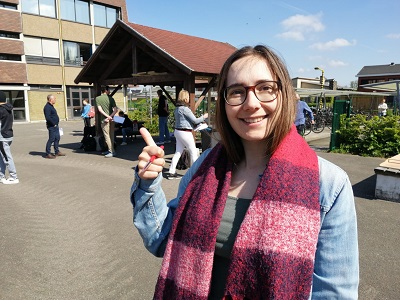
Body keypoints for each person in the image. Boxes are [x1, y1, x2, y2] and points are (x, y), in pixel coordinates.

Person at [131, 45, 359, 299]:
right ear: (224, 103)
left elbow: (334, 293)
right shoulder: (206, 166)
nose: (251, 104)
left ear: (284, 95)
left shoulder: (329, 183)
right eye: (237, 92)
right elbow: (160, 238)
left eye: (265, 88)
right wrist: (148, 183)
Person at [166, 89, 208, 179]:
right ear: (186, 98)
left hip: (177, 131)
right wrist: (204, 117)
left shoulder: (177, 109)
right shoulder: (186, 109)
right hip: (185, 132)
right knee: (193, 151)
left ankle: (171, 172)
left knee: (178, 152)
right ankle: (197, 172)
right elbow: (195, 120)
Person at [0, 91, 19, 184]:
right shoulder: (8, 108)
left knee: (6, 157)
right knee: (2, 156)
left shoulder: (1, 110)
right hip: (8, 135)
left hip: (3, 137)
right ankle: (1, 175)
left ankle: (13, 176)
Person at [95, 85, 117, 157]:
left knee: (106, 136)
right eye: (109, 90)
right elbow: (115, 110)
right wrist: (110, 117)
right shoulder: (111, 99)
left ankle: (111, 151)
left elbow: (100, 110)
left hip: (104, 120)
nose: (110, 91)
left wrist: (107, 117)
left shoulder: (98, 99)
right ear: (106, 90)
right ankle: (111, 150)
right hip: (112, 119)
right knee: (111, 136)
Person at [43, 94, 66, 159]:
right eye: (54, 99)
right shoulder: (47, 107)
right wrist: (54, 124)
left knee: (57, 138)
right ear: (50, 99)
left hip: (55, 126)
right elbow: (48, 117)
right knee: (51, 139)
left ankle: (57, 151)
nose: (55, 100)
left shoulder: (51, 106)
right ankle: (48, 153)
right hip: (52, 126)